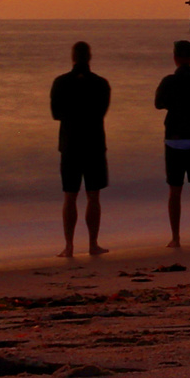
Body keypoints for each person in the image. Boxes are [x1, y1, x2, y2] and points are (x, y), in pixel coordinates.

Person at [50, 40, 111, 258]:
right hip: (94, 143)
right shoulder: (101, 84)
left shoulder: (60, 82)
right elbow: (102, 112)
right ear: (90, 57)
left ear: (73, 57)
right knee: (93, 196)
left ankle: (69, 246)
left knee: (70, 196)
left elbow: (55, 114)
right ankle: (93, 244)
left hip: (70, 144)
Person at [154, 39, 190, 248]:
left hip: (174, 138)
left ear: (175, 59)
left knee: (175, 190)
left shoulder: (169, 81)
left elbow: (158, 103)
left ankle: (176, 237)